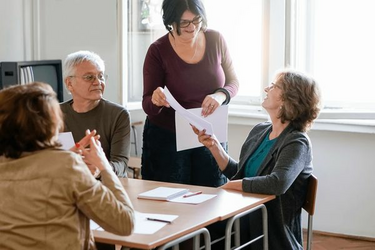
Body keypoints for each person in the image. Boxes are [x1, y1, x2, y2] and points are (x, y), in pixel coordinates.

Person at [193, 69, 321, 249]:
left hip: (272, 236)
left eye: (274, 86)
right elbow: (239, 174)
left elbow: (277, 183)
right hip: (245, 224)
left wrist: (229, 186)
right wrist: (213, 145)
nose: (266, 89)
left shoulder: (297, 142)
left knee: (200, 234)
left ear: (288, 98)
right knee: (195, 232)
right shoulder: (260, 130)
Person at [0, 82, 135, 250]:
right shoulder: (67, 166)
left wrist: (66, 158)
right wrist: (103, 166)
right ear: (51, 123)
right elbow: (125, 223)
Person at [142, 0, 239, 187]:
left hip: (209, 134)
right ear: (171, 21)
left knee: (212, 201)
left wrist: (220, 95)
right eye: (185, 22)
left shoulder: (215, 40)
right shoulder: (157, 50)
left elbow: (233, 82)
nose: (192, 27)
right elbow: (147, 104)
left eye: (197, 20)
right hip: (167, 139)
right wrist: (156, 100)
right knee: (171, 203)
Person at [61, 50, 131, 178]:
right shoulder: (54, 114)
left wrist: (100, 168)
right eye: (89, 77)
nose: (97, 82)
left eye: (101, 76)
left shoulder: (118, 114)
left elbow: (121, 164)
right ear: (69, 83)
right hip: (68, 186)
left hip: (107, 187)